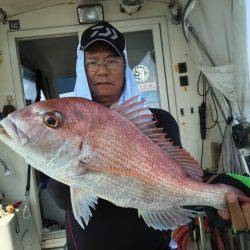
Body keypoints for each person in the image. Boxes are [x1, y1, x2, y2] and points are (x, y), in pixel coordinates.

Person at [48, 21, 250, 250]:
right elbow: (63, 199)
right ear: (81, 69)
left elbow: (180, 179)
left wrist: (220, 191)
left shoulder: (158, 121)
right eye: (92, 62)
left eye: (111, 61)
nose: (102, 70)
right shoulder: (66, 127)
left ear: (125, 66)